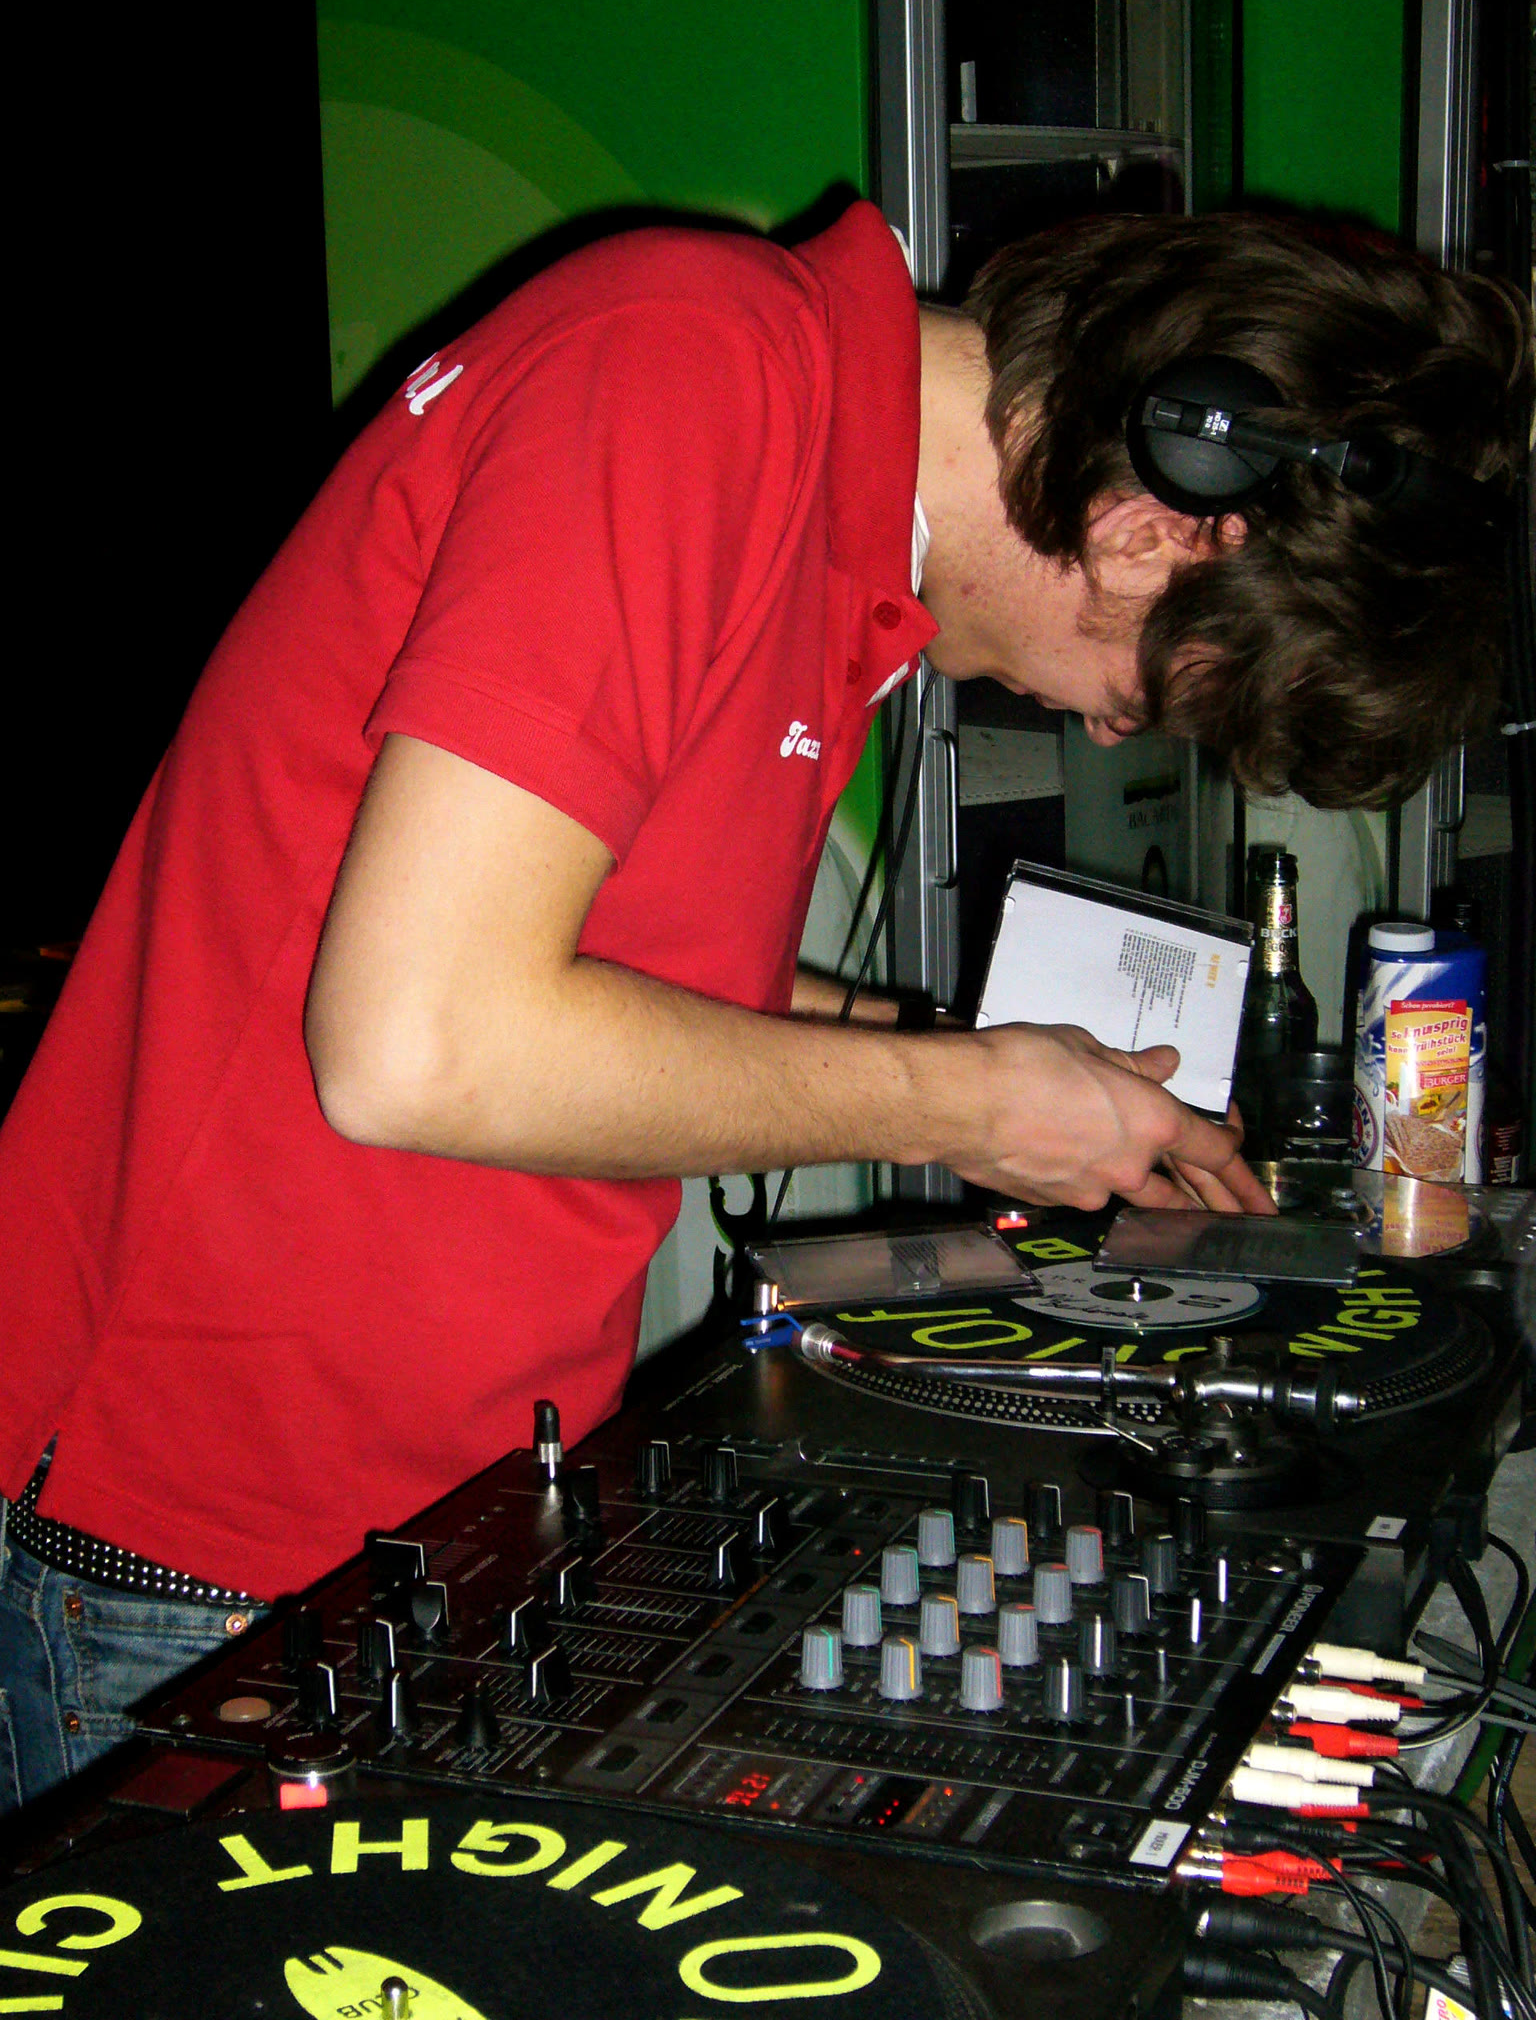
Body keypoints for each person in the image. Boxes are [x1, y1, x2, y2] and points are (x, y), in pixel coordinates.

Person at [0, 199, 1527, 1813]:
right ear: (1157, 530)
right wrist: (967, 1100)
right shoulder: (682, 374)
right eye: (1155, 693)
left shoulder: (812, 504)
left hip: (437, 1505)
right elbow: (420, 1046)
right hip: (206, 1543)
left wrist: (970, 1071)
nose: (1103, 731)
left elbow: (611, 972)